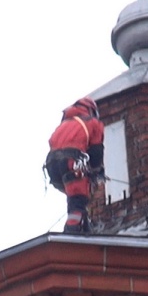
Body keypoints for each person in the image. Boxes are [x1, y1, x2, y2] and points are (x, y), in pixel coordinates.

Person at [45, 96, 105, 233]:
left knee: (75, 199)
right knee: (78, 200)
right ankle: (72, 232)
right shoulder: (93, 123)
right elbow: (96, 153)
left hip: (52, 167)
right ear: (91, 110)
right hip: (71, 162)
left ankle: (82, 226)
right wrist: (97, 171)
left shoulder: (63, 126)